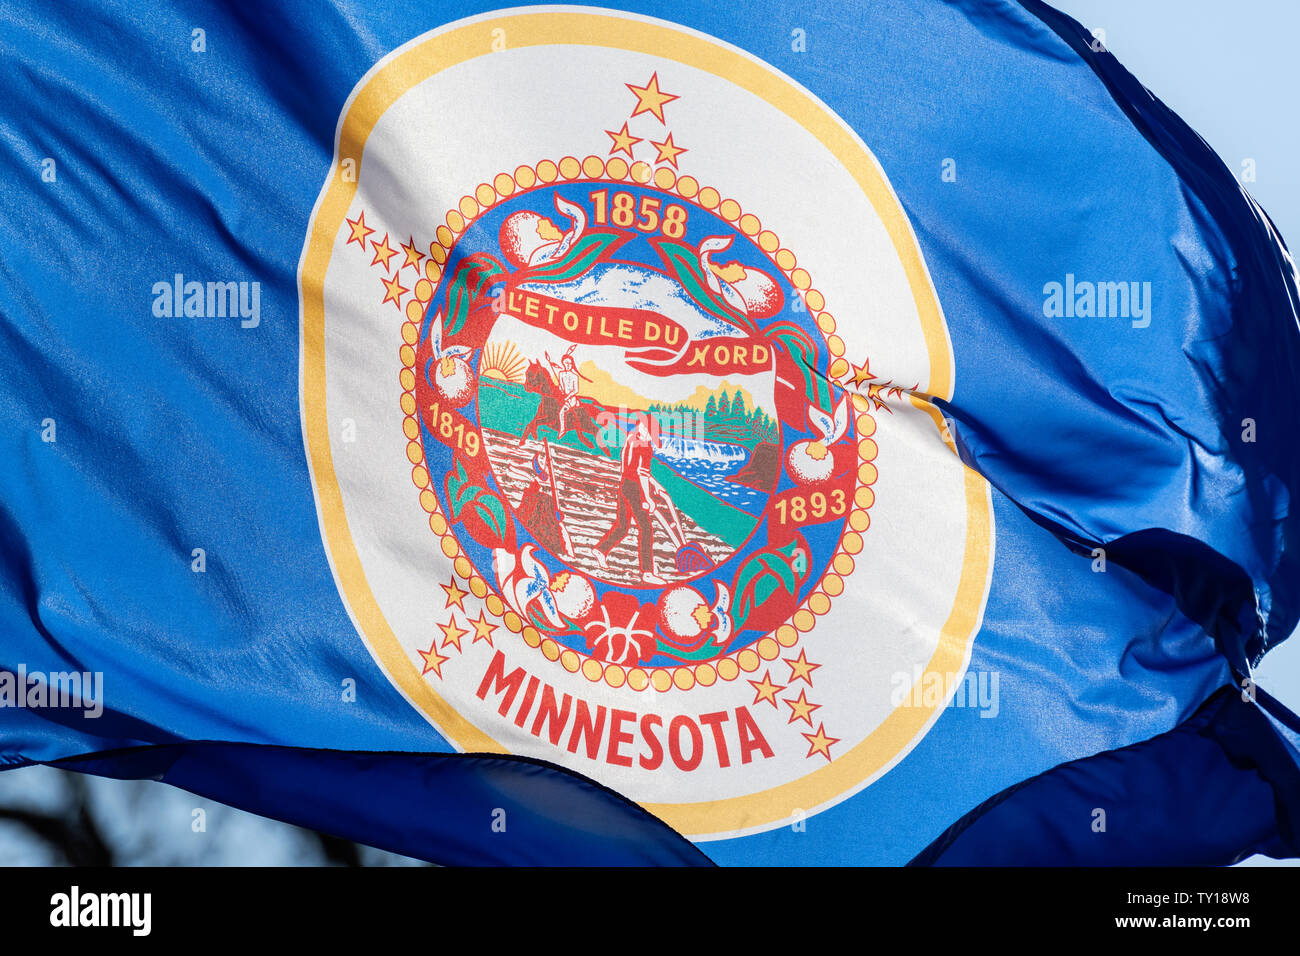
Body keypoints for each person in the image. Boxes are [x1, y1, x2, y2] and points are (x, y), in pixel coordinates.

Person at [592, 415, 665, 586]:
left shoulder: (630, 439)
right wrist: (648, 498)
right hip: (635, 489)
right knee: (646, 528)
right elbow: (642, 474)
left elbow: (631, 469)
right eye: (650, 432)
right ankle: (647, 572)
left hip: (624, 485)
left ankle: (600, 550)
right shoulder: (646, 447)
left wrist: (655, 485)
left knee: (622, 526)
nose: (650, 436)